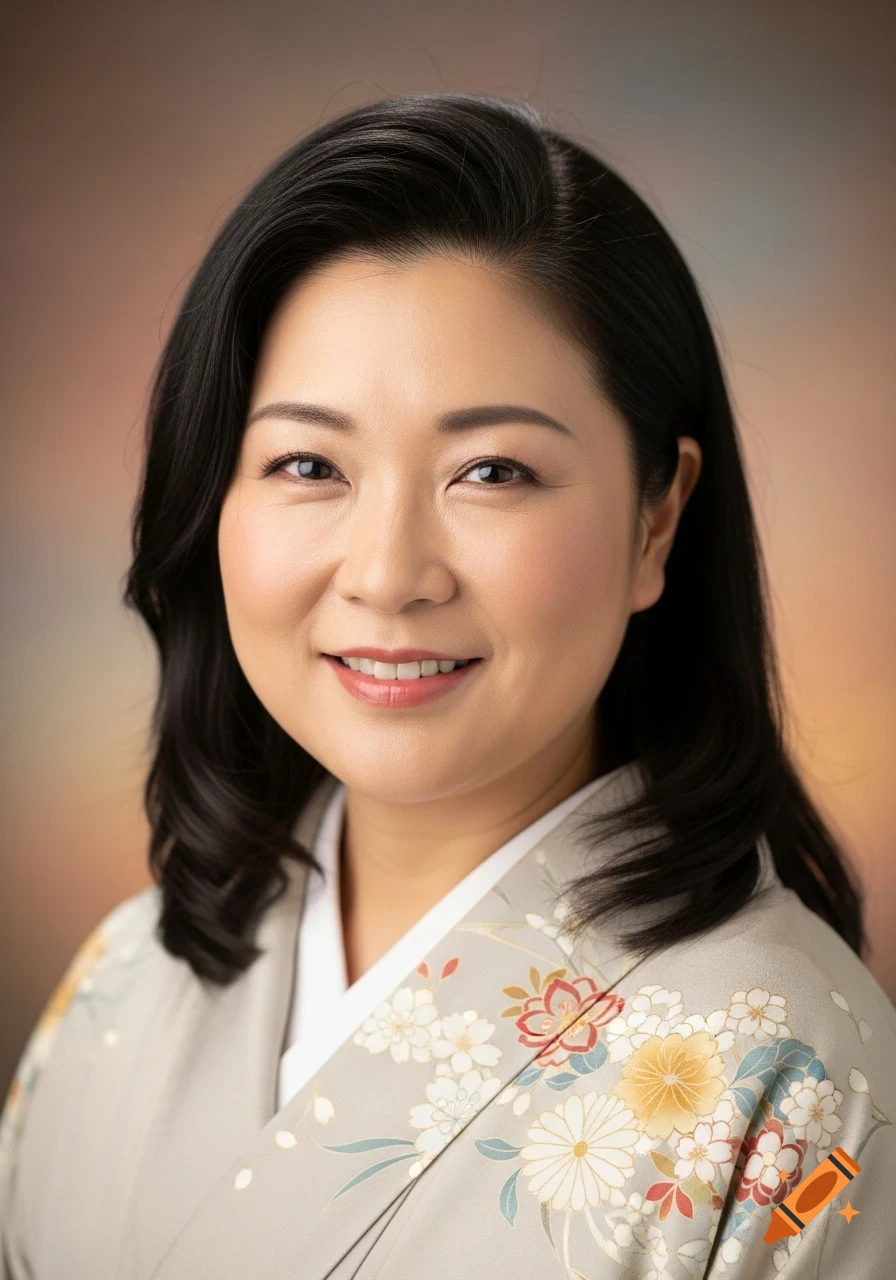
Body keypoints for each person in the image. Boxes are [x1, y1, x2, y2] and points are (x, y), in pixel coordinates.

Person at [1, 91, 894, 1280]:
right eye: (307, 462)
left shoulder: (789, 1075)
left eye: (492, 470)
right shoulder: (123, 982)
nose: (385, 575)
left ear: (656, 514)